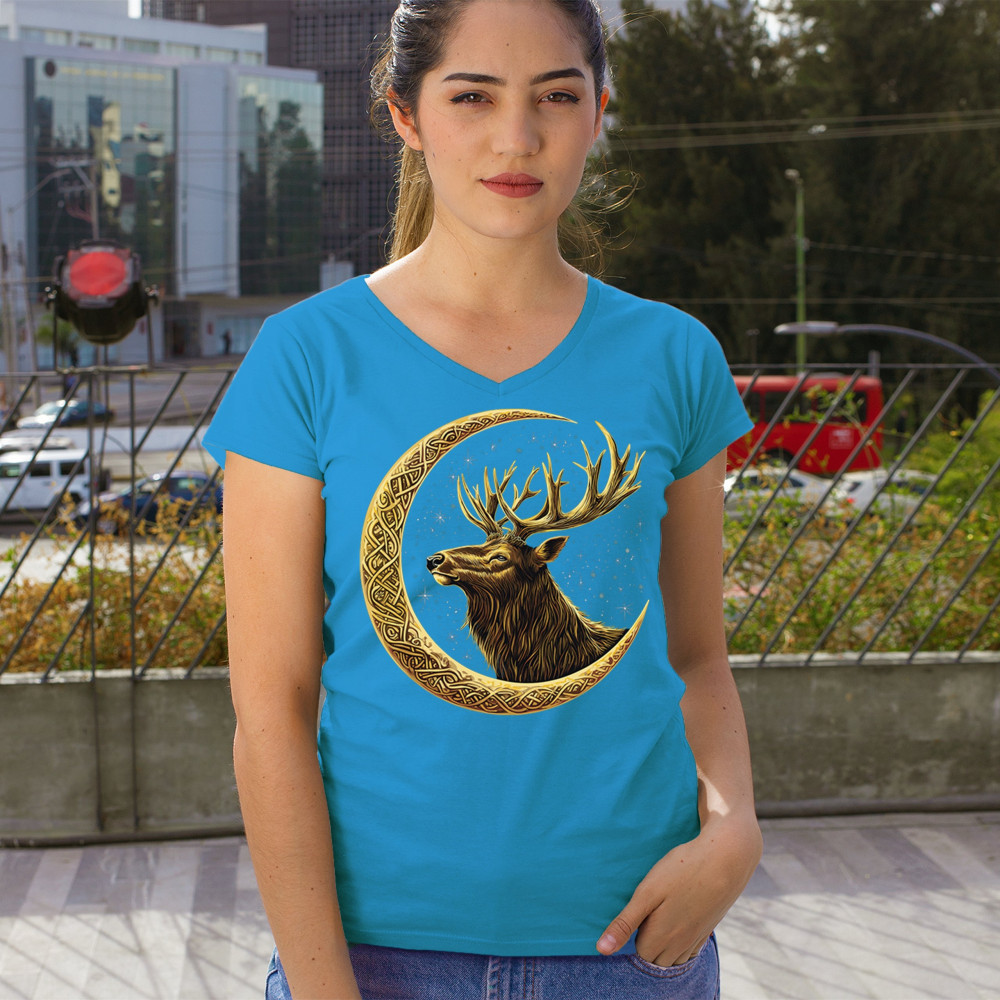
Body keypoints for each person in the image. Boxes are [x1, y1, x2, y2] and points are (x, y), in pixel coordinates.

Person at [204, 1, 762, 997]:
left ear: (598, 112)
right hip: (372, 954)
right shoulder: (307, 358)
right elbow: (271, 709)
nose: (517, 138)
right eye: (472, 97)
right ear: (406, 114)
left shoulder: (674, 356)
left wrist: (733, 829)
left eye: (556, 97)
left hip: (629, 947)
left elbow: (696, 657)